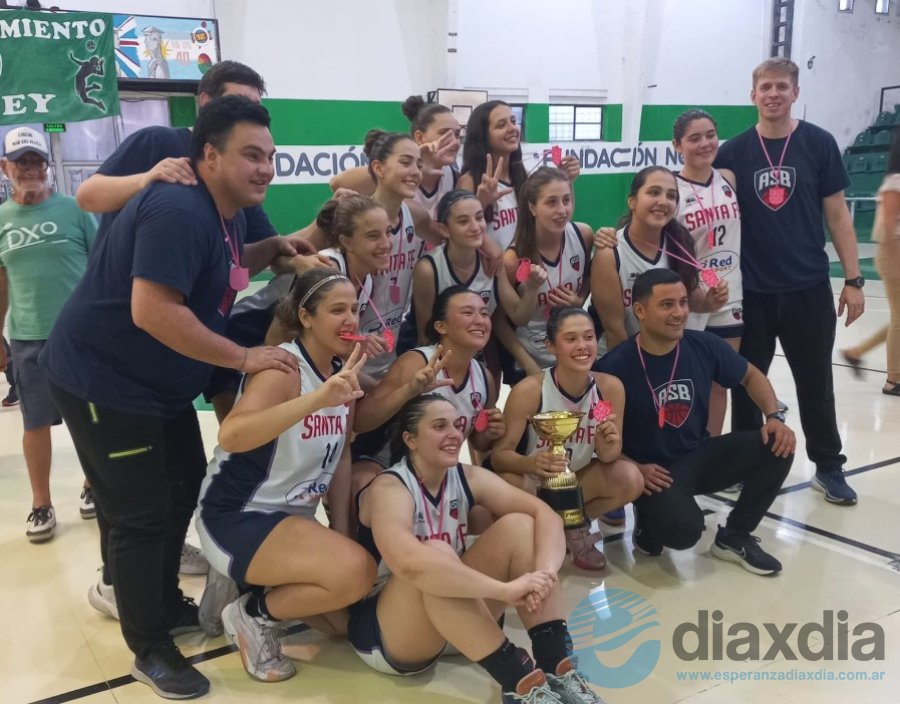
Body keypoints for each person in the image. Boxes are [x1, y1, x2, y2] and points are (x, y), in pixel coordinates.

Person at [39, 96, 299, 700]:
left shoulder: (225, 211)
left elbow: (228, 269)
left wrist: (283, 247)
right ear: (209, 155)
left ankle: (159, 602)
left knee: (184, 481)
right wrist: (243, 358)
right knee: (140, 513)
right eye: (250, 155)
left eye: (270, 157)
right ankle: (148, 647)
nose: (264, 167)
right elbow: (153, 309)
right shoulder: (180, 208)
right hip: (103, 380)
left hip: (156, 385)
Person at [351, 393, 607, 704]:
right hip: (394, 632)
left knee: (521, 525)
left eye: (458, 425)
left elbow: (547, 516)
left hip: (460, 619)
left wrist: (544, 574)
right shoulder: (389, 488)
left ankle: (558, 668)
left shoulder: (467, 476)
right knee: (435, 553)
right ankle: (519, 683)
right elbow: (408, 563)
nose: (455, 434)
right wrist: (503, 590)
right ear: (411, 439)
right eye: (439, 426)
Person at [197, 268, 377, 683]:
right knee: (356, 573)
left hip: (291, 520)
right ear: (306, 316)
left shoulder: (339, 369)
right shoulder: (282, 368)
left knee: (343, 623)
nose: (350, 318)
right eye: (337, 309)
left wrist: (342, 527)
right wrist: (317, 398)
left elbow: (341, 455)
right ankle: (252, 615)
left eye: (354, 308)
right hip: (238, 512)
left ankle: (244, 581)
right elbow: (233, 434)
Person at [714, 57, 865, 506]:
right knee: (746, 382)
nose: (774, 94)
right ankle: (742, 462)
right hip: (751, 291)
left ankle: (829, 466)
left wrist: (853, 279)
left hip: (807, 287)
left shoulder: (818, 143)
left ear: (795, 92)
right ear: (753, 95)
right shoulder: (732, 152)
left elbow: (837, 214)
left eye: (782, 87)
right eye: (766, 87)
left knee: (815, 382)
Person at [596, 269, 795, 575]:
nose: (679, 313)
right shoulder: (613, 367)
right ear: (640, 311)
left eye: (683, 302)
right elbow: (594, 436)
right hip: (652, 472)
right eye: (667, 305)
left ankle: (735, 536)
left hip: (698, 455)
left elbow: (752, 375)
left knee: (778, 444)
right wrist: (632, 468)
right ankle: (648, 521)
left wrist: (773, 417)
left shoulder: (704, 345)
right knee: (684, 531)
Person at [0, 127, 98, 542]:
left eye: (36, 161)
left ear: (47, 165)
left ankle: (95, 484)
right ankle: (42, 505)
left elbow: (100, 269)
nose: (30, 169)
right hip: (26, 338)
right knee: (34, 423)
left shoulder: (75, 210)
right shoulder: (2, 219)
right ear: (6, 168)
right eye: (21, 162)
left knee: (91, 421)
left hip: (79, 337)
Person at [492, 307, 644, 570]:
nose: (583, 346)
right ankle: (540, 532)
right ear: (551, 346)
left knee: (630, 478)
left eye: (588, 337)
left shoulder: (610, 387)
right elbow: (499, 456)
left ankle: (574, 529)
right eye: (571, 339)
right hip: (533, 485)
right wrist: (532, 464)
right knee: (508, 482)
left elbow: (609, 456)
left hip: (576, 482)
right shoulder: (529, 390)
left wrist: (607, 445)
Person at [353, 286, 504, 489]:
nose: (479, 320)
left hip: (438, 473)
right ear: (441, 327)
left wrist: (489, 433)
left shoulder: (484, 377)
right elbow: (360, 421)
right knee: (369, 484)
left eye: (484, 313)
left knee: (485, 507)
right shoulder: (416, 362)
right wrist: (408, 391)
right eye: (468, 312)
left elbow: (478, 442)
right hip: (385, 464)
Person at [590, 166, 729, 354]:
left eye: (671, 196)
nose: (663, 201)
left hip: (664, 352)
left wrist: (708, 302)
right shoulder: (611, 252)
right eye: (654, 192)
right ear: (632, 201)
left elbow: (692, 298)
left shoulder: (681, 243)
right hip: (619, 355)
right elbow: (615, 330)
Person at [672, 110, 743, 437]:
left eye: (711, 135)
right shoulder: (670, 188)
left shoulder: (728, 177)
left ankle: (713, 453)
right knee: (683, 382)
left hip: (730, 293)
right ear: (678, 145)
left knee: (720, 382)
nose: (705, 143)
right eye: (694, 138)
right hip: (688, 297)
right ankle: (682, 449)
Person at [407, 190, 546, 349]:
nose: (475, 227)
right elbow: (426, 336)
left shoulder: (493, 261)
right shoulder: (428, 269)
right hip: (440, 356)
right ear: (444, 229)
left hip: (476, 357)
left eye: (479, 218)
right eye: (463, 221)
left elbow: (519, 316)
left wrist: (532, 288)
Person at [502, 167, 594, 381]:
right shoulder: (513, 259)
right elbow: (500, 321)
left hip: (571, 352)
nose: (562, 209)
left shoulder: (584, 235)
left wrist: (579, 299)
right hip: (530, 357)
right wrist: (527, 364)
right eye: (551, 202)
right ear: (532, 207)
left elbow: (589, 276)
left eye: (566, 200)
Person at [330, 95, 462, 217]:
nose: (454, 142)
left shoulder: (456, 178)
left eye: (456, 134)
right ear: (420, 137)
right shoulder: (397, 172)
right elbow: (337, 183)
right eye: (444, 133)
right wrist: (415, 164)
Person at [842, 132, 900, 394]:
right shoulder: (895, 181)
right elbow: (887, 228)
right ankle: (894, 379)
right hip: (894, 255)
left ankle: (857, 351)